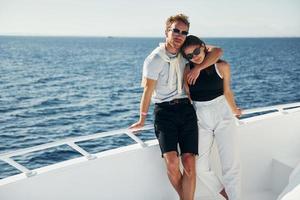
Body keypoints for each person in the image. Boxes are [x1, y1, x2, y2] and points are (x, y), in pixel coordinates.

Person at [130, 14, 223, 200]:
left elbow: (217, 51)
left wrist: (197, 67)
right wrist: (142, 118)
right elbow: (148, 91)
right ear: (167, 31)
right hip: (164, 112)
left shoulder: (186, 53)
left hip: (186, 110)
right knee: (172, 163)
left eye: (184, 32)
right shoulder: (154, 59)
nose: (180, 35)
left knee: (189, 163)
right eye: (176, 30)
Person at [181, 35, 241, 200]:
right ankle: (225, 195)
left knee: (231, 166)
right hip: (201, 119)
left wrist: (235, 109)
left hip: (223, 115)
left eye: (197, 51)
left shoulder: (221, 66)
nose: (195, 56)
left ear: (203, 47)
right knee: (200, 168)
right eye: (190, 55)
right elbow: (188, 96)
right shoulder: (187, 70)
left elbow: (227, 91)